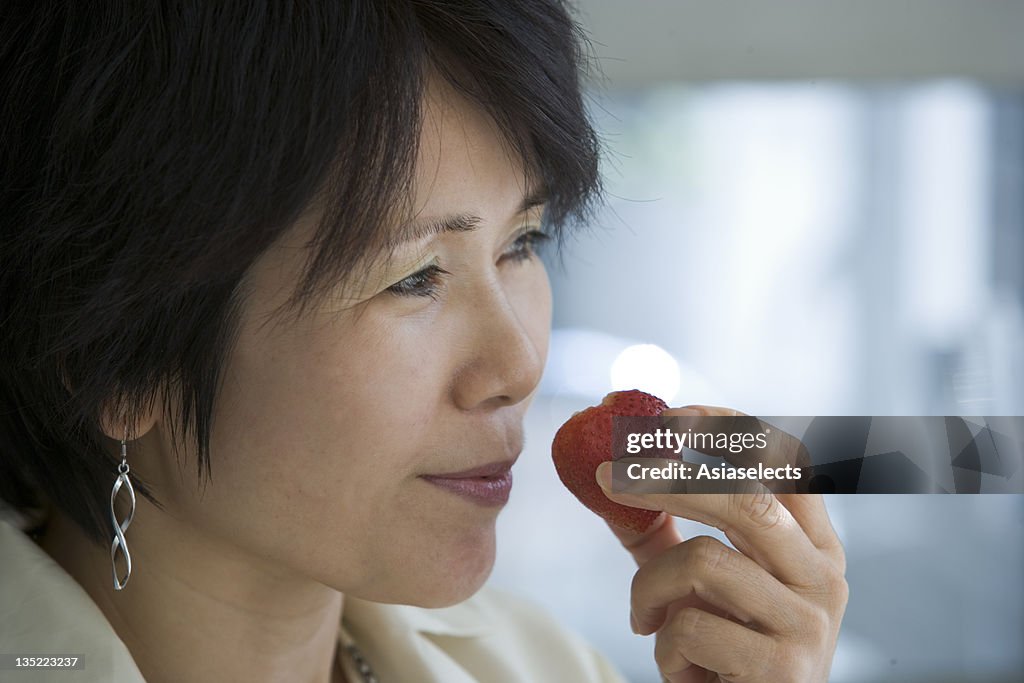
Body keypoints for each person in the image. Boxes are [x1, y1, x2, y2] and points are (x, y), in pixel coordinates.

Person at [0, 2, 848, 681]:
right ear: (117, 355)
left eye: (523, 243)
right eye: (413, 277)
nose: (519, 366)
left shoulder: (541, 666)